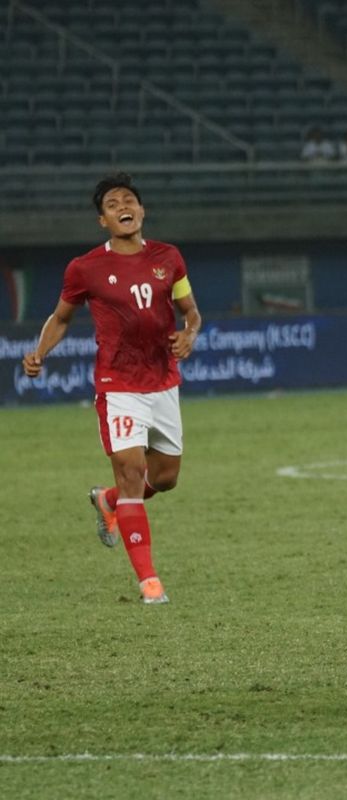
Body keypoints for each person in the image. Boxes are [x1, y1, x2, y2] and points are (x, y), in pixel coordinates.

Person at [22, 173, 202, 605]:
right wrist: (40, 351)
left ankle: (109, 501)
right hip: (117, 384)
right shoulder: (86, 268)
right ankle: (150, 583)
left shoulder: (169, 258)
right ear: (104, 220)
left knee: (166, 478)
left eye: (129, 200)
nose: (122, 206)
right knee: (132, 474)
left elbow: (191, 311)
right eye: (111, 204)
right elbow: (61, 317)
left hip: (162, 382)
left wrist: (190, 333)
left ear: (141, 211)